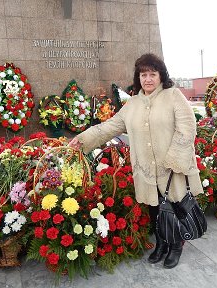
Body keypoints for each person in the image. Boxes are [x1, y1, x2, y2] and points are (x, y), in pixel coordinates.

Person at [68, 53, 204, 269]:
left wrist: (174, 158)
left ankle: (176, 246)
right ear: (138, 77)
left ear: (161, 76)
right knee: (154, 208)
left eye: (152, 74)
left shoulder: (173, 96)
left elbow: (187, 129)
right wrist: (82, 139)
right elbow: (109, 127)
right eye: (143, 75)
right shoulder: (132, 104)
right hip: (146, 169)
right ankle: (161, 243)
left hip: (172, 168)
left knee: (175, 205)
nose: (148, 79)